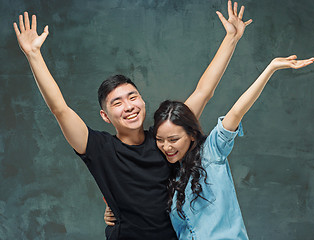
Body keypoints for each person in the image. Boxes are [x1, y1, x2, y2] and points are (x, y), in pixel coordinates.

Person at [13, 1, 252, 239]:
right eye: (117, 103)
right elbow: (60, 109)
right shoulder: (100, 149)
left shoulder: (164, 141)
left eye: (133, 97)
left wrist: (231, 38)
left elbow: (203, 92)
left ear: (142, 101)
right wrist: (33, 55)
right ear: (105, 116)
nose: (129, 106)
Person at [105, 55, 314, 239]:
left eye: (173, 139)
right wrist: (113, 209)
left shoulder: (212, 152)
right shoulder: (169, 174)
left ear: (192, 135)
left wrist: (270, 69)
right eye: (160, 140)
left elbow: (236, 111)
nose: (166, 147)